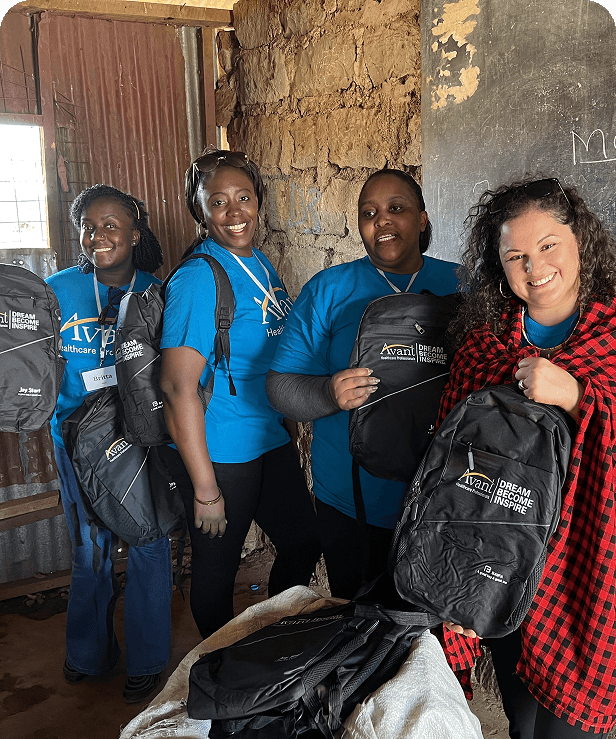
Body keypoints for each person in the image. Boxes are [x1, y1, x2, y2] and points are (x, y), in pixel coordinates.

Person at [439, 176, 616, 739]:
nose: (535, 267)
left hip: (586, 587)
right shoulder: (483, 349)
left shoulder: (611, 336)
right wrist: (454, 583)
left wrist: (575, 396)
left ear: (581, 243)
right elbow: (450, 475)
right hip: (504, 578)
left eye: (548, 246)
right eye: (516, 256)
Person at [267, 168, 459, 599]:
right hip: (352, 503)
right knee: (359, 626)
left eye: (396, 209)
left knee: (428, 641)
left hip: (442, 500)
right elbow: (279, 386)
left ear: (423, 219)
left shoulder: (461, 285)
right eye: (369, 212)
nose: (382, 221)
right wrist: (327, 393)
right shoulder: (329, 291)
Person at [158, 148, 321, 640]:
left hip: (267, 439)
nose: (235, 213)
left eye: (244, 198)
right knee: (215, 574)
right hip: (222, 449)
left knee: (303, 540)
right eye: (219, 202)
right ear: (200, 210)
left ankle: (268, 639)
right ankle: (223, 667)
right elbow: (176, 386)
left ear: (258, 201)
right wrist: (206, 490)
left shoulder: (258, 262)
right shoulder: (198, 278)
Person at [46, 184, 173, 704]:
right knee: (89, 545)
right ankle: (88, 652)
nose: (98, 236)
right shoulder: (55, 291)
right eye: (89, 227)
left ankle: (147, 660)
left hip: (139, 435)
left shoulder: (159, 291)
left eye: (111, 225)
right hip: (74, 437)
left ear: (135, 233)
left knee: (148, 539)